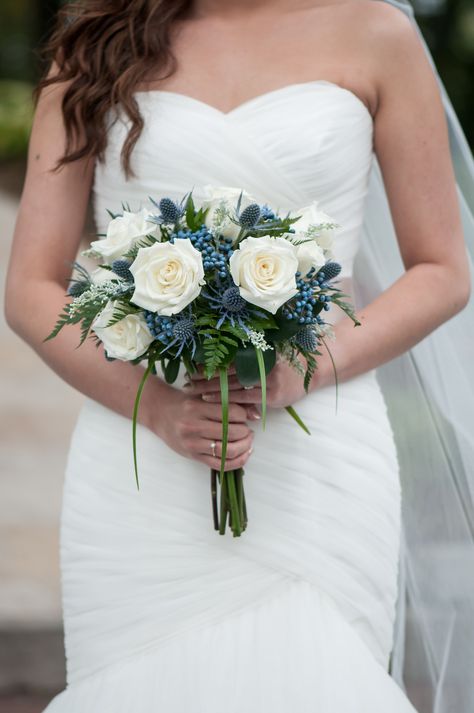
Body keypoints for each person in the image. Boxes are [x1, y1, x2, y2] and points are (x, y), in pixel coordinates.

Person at [4, 0, 472, 710]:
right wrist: (156, 407)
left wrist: (305, 368)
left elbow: (443, 269)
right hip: (140, 454)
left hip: (321, 457)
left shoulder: (377, 35)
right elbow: (31, 287)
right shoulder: (94, 47)